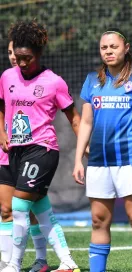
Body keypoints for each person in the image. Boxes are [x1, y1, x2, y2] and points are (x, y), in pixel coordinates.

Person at [72, 28, 132, 272]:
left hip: (131, 161)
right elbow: (86, 122)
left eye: (113, 47)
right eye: (104, 47)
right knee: (98, 221)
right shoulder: (92, 80)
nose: (108, 51)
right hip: (98, 162)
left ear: (126, 48)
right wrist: (78, 160)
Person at [0, 20, 80, 272]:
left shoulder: (54, 82)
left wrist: (86, 148)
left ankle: (12, 265)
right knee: (30, 209)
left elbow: (74, 119)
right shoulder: (7, 76)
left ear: (39, 53)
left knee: (20, 206)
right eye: (18, 57)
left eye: (28, 58)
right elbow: (1, 106)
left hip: (42, 149)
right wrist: (1, 131)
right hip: (13, 151)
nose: (22, 63)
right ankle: (67, 262)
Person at [0, 40, 49, 272]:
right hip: (6, 154)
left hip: (31, 153)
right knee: (7, 210)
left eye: (17, 53)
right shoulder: (6, 77)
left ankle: (41, 259)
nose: (13, 57)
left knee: (27, 210)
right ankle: (8, 263)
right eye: (10, 52)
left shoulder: (41, 80)